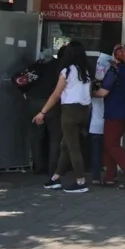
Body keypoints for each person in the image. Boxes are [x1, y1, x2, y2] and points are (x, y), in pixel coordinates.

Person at [35, 41, 94, 193]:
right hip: (84, 111)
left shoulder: (67, 71)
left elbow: (56, 95)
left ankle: (80, 182)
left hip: (69, 112)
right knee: (65, 145)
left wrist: (43, 112)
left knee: (73, 148)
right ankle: (56, 177)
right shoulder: (86, 71)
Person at [94, 44, 125, 189]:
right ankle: (109, 178)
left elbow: (103, 92)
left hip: (114, 112)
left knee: (111, 145)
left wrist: (90, 92)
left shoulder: (115, 70)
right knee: (110, 144)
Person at [26, 46, 65, 174]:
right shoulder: (62, 68)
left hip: (34, 101)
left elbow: (21, 79)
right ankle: (53, 169)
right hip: (52, 103)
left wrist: (25, 93)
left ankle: (38, 166)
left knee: (36, 136)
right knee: (55, 137)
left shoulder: (38, 65)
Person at [89, 53, 112, 185]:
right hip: (108, 123)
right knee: (109, 152)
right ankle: (110, 175)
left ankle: (96, 177)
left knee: (96, 153)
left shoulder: (94, 85)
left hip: (95, 125)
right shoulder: (113, 84)